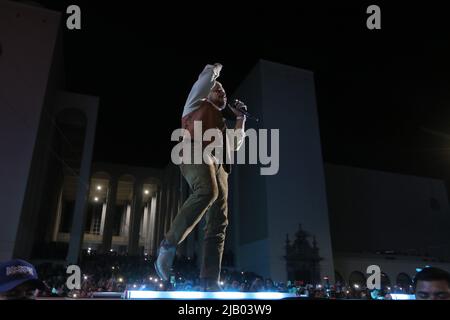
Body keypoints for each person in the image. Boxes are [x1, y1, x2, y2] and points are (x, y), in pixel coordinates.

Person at [155, 63, 247, 291]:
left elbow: (234, 145)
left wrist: (240, 119)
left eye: (224, 91)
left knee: (219, 222)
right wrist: (215, 69)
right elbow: (205, 79)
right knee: (207, 190)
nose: (223, 92)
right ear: (207, 93)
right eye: (218, 89)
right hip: (193, 151)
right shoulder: (195, 103)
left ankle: (210, 280)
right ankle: (168, 245)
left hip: (220, 166)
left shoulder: (222, 123)